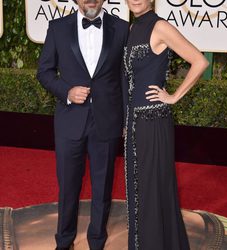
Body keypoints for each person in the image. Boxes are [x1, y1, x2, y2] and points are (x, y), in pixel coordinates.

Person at [37, 0, 129, 249]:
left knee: (102, 187)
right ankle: (64, 241)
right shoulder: (57, 28)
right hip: (70, 120)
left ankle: (97, 241)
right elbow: (44, 71)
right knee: (68, 186)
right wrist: (66, 90)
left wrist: (125, 119)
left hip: (107, 120)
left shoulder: (121, 28)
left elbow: (123, 77)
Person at [123, 0, 209, 249]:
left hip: (152, 121)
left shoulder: (160, 27)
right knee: (138, 192)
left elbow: (199, 61)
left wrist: (173, 96)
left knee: (152, 190)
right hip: (133, 124)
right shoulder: (131, 30)